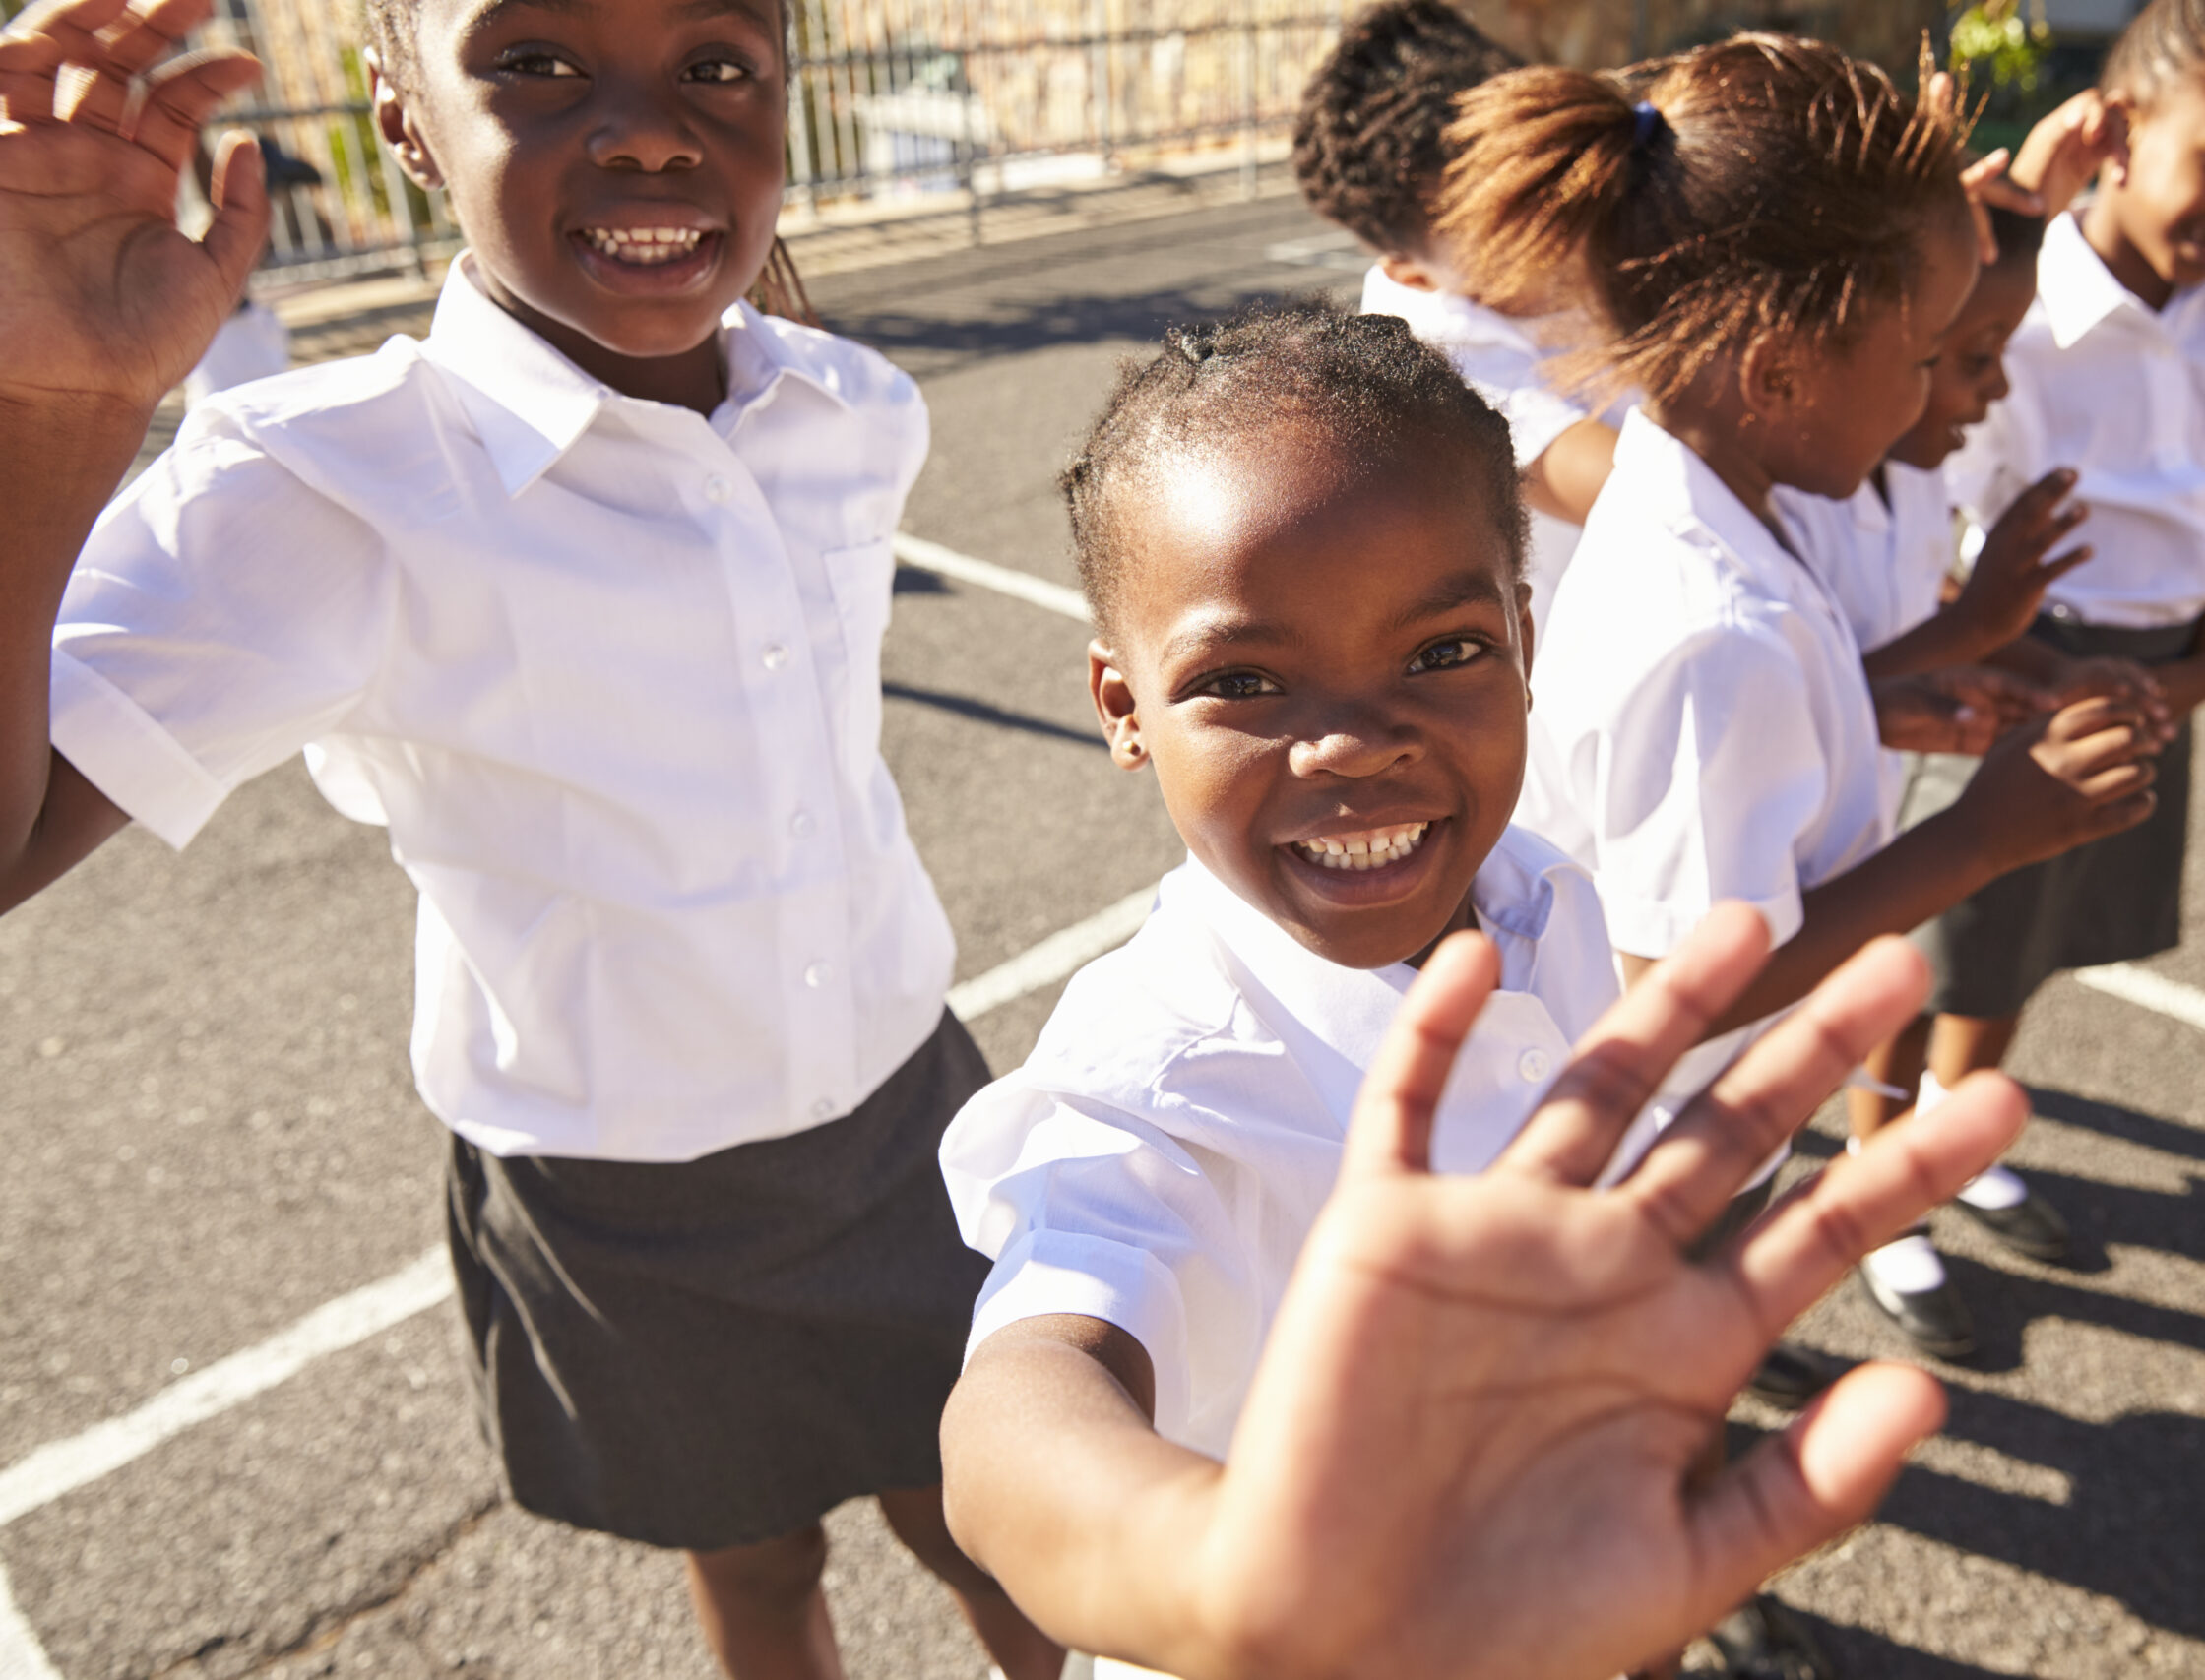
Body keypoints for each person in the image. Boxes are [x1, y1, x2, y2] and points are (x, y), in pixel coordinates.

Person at [0, 3, 1060, 1676]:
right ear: (405, 116)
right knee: (762, 1566)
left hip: (910, 1112)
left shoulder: (852, 410)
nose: (647, 132)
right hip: (618, 1201)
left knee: (1007, 1527)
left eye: (715, 63)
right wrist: (49, 416)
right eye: (538, 61)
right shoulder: (320, 491)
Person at [932, 302, 2033, 1680]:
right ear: (1123, 706)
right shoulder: (1157, 1069)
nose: (1356, 743)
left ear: (1523, 633)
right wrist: (1228, 1569)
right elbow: (1023, 1404)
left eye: (1441, 650)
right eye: (1244, 678)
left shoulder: (1541, 890)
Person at [1435, 56, 2164, 1665]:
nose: (1937, 399)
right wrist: (1996, 830)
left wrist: (1912, 678)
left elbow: (1759, 741)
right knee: (1655, 1376)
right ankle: (1674, 1571)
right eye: (1918, 354)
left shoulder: (1718, 507)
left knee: (1668, 1362)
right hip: (1666, 1137)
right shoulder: (1715, 623)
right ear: (1778, 363)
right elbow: (1688, 995)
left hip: (1670, 1119)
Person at [1895, 0, 2205, 1269]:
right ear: (2122, 131)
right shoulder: (2014, 311)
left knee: (2034, 939)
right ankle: (1881, 1195)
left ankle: (1950, 1134)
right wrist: (2021, 664)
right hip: (2007, 664)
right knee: (1936, 937)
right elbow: (1927, 527)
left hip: (2155, 674)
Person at [1772, 205, 2174, 1351]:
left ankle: (1904, 1180)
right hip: (1784, 906)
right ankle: (1872, 1206)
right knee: (1884, 996)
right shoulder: (1794, 507)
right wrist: (1981, 826)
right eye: (1969, 360)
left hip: (1850, 844)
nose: (1995, 393)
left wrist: (2035, 657)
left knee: (1949, 975)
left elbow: (1904, 635)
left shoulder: (1903, 476)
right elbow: (1779, 685)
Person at [1292, 1, 1620, 644]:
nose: (1560, 231)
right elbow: (1643, 493)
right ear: (1414, 272)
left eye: (1553, 181)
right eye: (1508, 233)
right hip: (1601, 690)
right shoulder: (1434, 360)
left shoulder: (1610, 199)